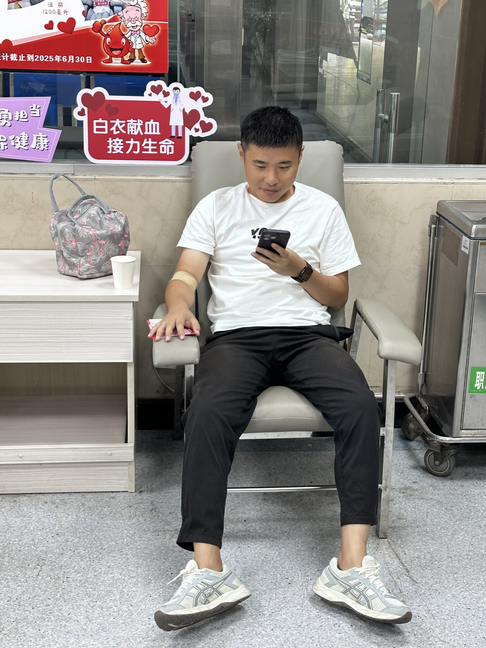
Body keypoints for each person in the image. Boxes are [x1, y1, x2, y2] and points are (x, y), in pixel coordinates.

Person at [149, 106, 412, 631]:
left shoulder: (323, 210)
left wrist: (300, 270)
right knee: (208, 412)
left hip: (307, 336)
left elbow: (337, 295)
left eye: (285, 166)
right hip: (237, 339)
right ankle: (209, 571)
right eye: (261, 165)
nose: (271, 178)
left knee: (360, 407)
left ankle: (350, 567)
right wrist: (178, 305)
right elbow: (186, 274)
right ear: (241, 154)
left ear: (301, 157)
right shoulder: (216, 206)